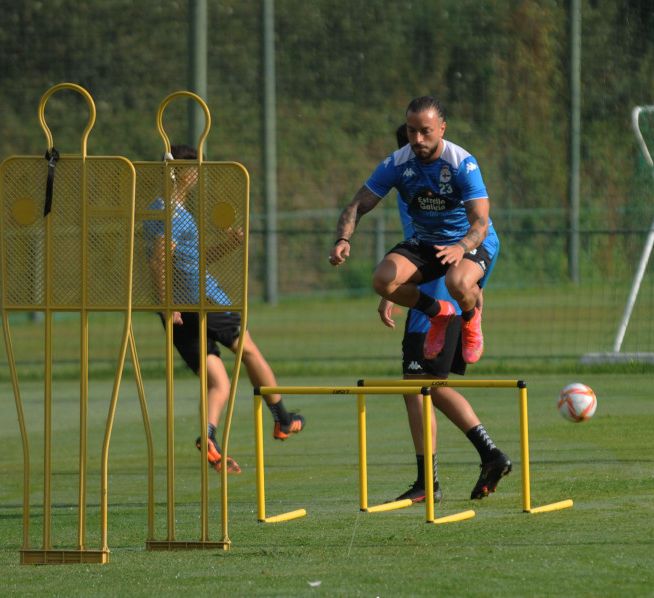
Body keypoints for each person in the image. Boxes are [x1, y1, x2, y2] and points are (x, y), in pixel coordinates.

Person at [144, 144, 305, 475]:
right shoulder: (170, 211)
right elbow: (158, 258)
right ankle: (283, 420)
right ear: (186, 173)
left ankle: (209, 436)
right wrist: (168, 303)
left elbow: (187, 258)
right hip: (203, 301)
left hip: (179, 310)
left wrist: (227, 247)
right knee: (251, 354)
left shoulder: (161, 209)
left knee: (218, 380)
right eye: (196, 170)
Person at [381, 124, 511, 502]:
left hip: (437, 295)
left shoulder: (420, 185)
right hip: (432, 289)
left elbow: (446, 245)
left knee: (422, 383)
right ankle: (483, 457)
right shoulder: (413, 177)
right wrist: (394, 291)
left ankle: (437, 480)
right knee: (422, 386)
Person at [329, 95, 497, 365]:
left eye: (425, 131)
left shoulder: (462, 163)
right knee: (382, 281)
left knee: (457, 282)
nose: (417, 139)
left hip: (469, 240)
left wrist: (460, 247)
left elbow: (481, 222)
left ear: (442, 128)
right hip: (427, 241)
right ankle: (439, 313)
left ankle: (470, 318)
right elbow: (357, 205)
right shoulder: (397, 163)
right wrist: (342, 238)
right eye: (411, 131)